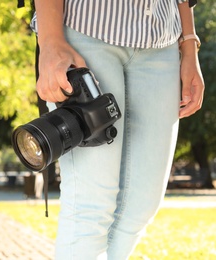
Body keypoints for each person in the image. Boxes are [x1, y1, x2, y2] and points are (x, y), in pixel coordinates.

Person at [32, 0, 204, 259]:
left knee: (140, 206)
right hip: (86, 30)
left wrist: (189, 45)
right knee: (91, 206)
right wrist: (51, 39)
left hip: (162, 40)